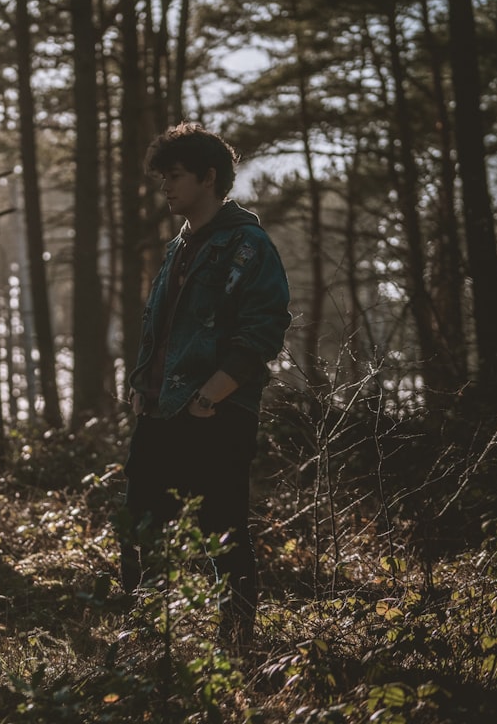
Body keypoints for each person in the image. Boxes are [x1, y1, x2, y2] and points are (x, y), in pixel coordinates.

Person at [119, 122, 291, 648]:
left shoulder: (246, 244)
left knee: (223, 529)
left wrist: (213, 392)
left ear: (209, 177)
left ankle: (236, 641)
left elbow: (263, 325)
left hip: (217, 412)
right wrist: (140, 381)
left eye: (175, 176)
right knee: (139, 524)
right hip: (161, 411)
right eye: (163, 177)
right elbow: (164, 326)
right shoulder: (180, 247)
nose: (165, 187)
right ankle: (144, 636)